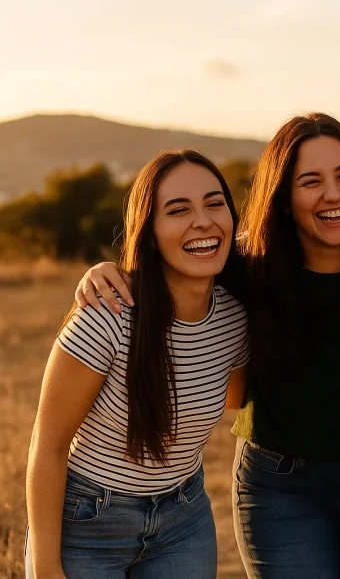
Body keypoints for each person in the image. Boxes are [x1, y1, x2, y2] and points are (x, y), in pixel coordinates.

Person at [72, 113, 340, 579]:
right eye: (310, 181)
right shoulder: (247, 268)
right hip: (284, 488)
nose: (333, 194)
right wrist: (106, 271)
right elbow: (172, 267)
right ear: (282, 198)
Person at [25, 149, 249, 579]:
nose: (203, 221)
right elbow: (48, 446)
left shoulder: (235, 317)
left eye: (214, 203)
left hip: (183, 520)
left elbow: (236, 399)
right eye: (178, 210)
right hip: (87, 521)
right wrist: (46, 567)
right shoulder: (107, 314)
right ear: (149, 232)